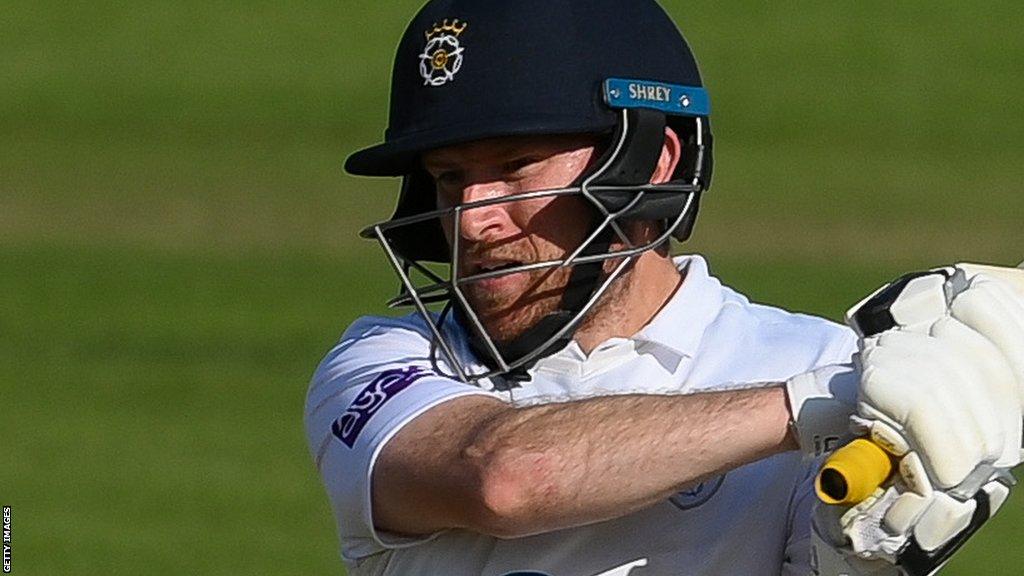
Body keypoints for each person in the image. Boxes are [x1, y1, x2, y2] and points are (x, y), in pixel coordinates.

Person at [305, 1, 1024, 574]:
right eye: (450, 176)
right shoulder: (385, 363)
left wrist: (860, 558)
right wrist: (819, 402)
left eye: (517, 166)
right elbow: (506, 477)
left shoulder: (817, 357)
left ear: (650, 162)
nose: (474, 219)